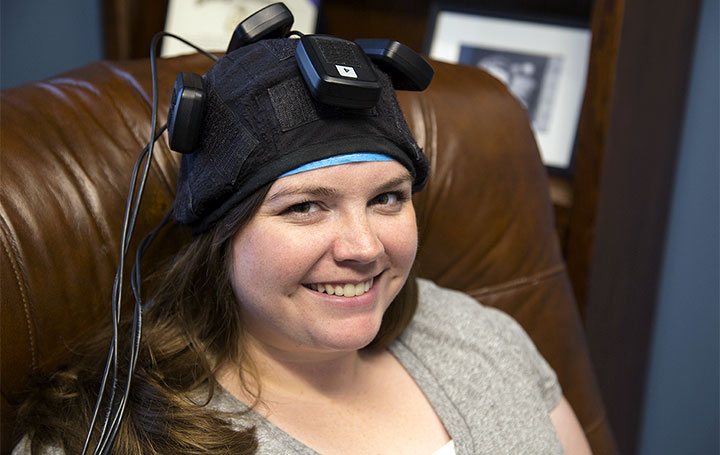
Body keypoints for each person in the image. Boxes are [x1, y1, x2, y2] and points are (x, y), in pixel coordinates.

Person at [13, 35, 592, 454]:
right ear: (221, 232)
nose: (364, 246)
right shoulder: (114, 435)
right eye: (305, 207)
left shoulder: (479, 335)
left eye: (388, 198)